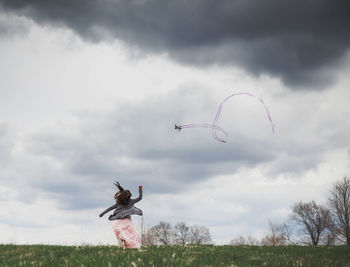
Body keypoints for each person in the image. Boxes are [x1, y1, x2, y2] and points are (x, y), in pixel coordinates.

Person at [99, 181, 143, 248]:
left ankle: (121, 240)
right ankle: (126, 243)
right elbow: (139, 197)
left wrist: (102, 214)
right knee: (130, 233)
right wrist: (140, 189)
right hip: (127, 221)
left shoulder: (118, 204)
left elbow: (109, 208)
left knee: (121, 232)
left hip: (118, 221)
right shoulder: (131, 201)